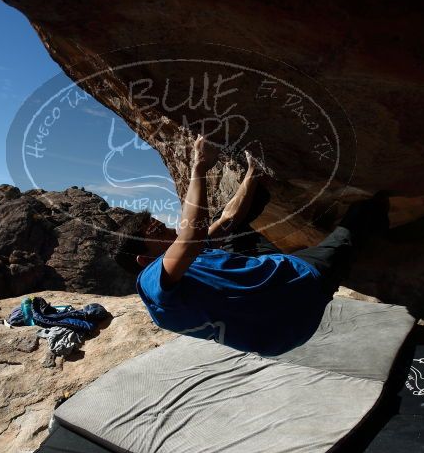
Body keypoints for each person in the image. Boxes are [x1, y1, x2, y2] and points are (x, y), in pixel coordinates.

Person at [115, 135, 388, 354]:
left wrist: (253, 172)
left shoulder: (180, 269)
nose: (167, 228)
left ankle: (260, 178)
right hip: (297, 295)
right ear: (143, 259)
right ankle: (388, 212)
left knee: (229, 227)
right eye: (156, 231)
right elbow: (191, 239)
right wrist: (199, 166)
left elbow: (227, 220)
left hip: (270, 314)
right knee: (358, 221)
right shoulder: (151, 284)